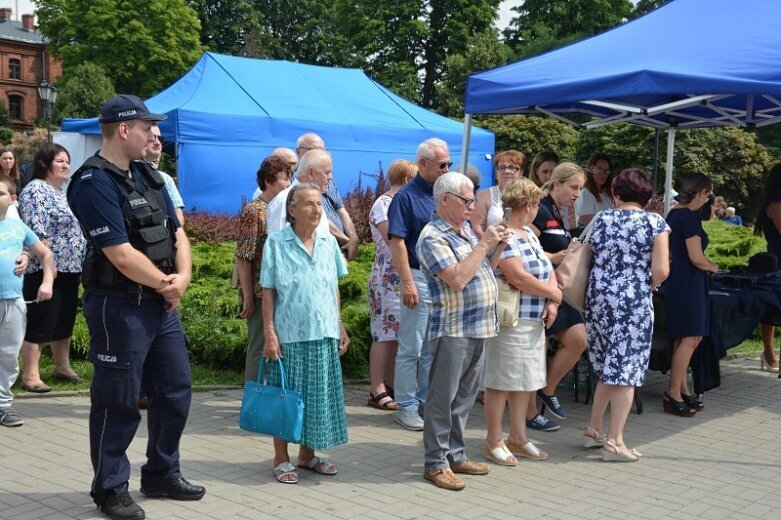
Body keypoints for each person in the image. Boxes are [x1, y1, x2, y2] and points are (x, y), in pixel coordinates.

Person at [68, 94, 205, 520]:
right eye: (147, 127)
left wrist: (180, 280)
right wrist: (167, 284)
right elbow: (120, 254)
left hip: (161, 303)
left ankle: (162, 472)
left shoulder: (151, 177)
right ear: (124, 130)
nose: (153, 135)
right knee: (118, 399)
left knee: (175, 390)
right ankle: (109, 488)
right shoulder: (92, 183)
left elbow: (179, 235)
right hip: (119, 306)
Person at [417, 172, 506, 491]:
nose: (472, 206)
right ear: (444, 199)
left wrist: (494, 249)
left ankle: (455, 455)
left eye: (473, 200)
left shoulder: (465, 231)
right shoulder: (432, 236)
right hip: (452, 328)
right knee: (443, 397)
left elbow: (482, 271)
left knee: (465, 396)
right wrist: (484, 243)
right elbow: (456, 278)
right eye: (466, 200)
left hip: (478, 325)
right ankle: (436, 463)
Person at [261, 182, 350, 485]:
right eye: (309, 203)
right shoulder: (276, 242)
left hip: (323, 331)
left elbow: (333, 287)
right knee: (288, 398)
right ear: (292, 210)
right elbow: (268, 291)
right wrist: (270, 333)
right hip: (290, 334)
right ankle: (281, 458)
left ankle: (307, 455)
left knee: (317, 398)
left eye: (318, 204)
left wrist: (339, 323)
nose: (316, 209)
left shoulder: (327, 242)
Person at [583, 169, 670, 462]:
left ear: (617, 194)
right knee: (626, 371)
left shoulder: (603, 219)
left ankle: (593, 429)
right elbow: (661, 270)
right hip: (631, 301)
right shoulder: (655, 222)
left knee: (609, 364)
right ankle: (615, 441)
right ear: (646, 197)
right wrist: (651, 284)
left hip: (597, 298)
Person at [483, 178, 562, 466]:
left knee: (524, 382)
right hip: (511, 321)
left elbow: (545, 268)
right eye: (537, 204)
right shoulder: (505, 235)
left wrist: (553, 299)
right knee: (501, 382)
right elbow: (517, 276)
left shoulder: (529, 232)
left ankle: (518, 435)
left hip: (532, 319)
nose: (537, 209)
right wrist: (552, 293)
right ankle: (494, 440)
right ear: (528, 205)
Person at [387, 137, 451, 431]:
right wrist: (407, 282)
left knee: (432, 348)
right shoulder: (405, 197)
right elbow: (397, 242)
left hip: (442, 280)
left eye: (449, 163)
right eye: (442, 164)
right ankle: (406, 404)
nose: (447, 168)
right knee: (412, 346)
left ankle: (425, 402)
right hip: (419, 277)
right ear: (423, 164)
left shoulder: (444, 195)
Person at [18, 144, 87, 392]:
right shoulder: (36, 190)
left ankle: (62, 366)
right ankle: (30, 375)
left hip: (69, 268)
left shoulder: (59, 192)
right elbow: (35, 231)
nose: (66, 165)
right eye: (60, 161)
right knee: (41, 320)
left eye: (67, 161)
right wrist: (48, 264)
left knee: (63, 318)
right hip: (45, 268)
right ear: (45, 164)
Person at [528, 162, 588, 432]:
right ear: (556, 184)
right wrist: (552, 256)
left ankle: (547, 390)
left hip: (556, 289)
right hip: (538, 290)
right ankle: (530, 414)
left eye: (581, 189)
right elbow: (521, 245)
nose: (577, 194)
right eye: (573, 187)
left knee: (578, 339)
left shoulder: (558, 212)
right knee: (535, 350)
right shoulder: (539, 209)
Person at [0, 175, 55, 427]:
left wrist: (47, 282)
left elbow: (46, 255)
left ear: (12, 199)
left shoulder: (18, 228)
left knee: (8, 356)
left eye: (0, 193)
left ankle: (3, 405)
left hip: (13, 303)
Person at [663, 173, 719, 417]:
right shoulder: (690, 219)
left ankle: (682, 389)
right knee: (692, 338)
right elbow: (696, 258)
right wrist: (713, 266)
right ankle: (673, 393)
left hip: (677, 280)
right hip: (690, 283)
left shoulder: (673, 213)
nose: (708, 201)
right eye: (708, 195)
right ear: (701, 193)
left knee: (682, 337)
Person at [236, 156, 293, 384]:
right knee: (259, 345)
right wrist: (248, 297)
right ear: (269, 181)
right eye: (284, 179)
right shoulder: (256, 210)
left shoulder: (282, 209)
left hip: (279, 290)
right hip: (260, 292)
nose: (289, 184)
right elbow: (243, 257)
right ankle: (254, 399)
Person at [367, 159, 416, 410]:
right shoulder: (384, 204)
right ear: (407, 179)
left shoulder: (401, 202)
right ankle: (376, 387)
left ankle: (392, 383)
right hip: (387, 278)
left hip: (401, 277)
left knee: (397, 334)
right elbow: (392, 237)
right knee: (383, 334)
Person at [754, 164, 781, 374]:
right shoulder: (776, 206)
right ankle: (769, 354)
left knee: (772, 311)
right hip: (778, 263)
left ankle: (769, 354)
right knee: (772, 311)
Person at [471, 150, 526, 237]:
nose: (507, 171)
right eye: (502, 167)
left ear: (521, 172)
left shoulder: (528, 196)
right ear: (496, 172)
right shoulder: (483, 196)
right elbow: (477, 229)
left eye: (512, 167)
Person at [144, 123, 185, 225]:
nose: (158, 143)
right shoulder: (127, 177)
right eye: (152, 138)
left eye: (160, 138)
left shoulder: (166, 178)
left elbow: (178, 216)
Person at [576, 152, 615, 226]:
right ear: (591, 170)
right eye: (599, 170)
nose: (603, 174)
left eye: (607, 171)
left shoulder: (607, 194)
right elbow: (588, 223)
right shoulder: (586, 193)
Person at [0, 147, 21, 220]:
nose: (8, 161)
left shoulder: (20, 176)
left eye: (10, 158)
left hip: (16, 212)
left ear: (14, 160)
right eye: (4, 158)